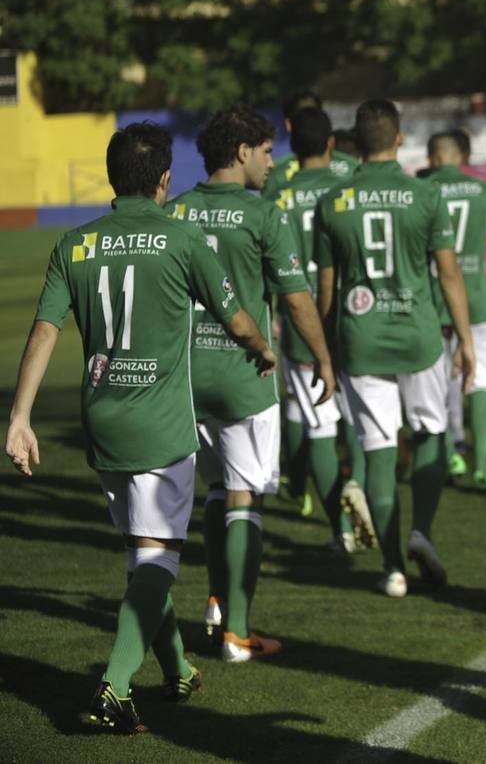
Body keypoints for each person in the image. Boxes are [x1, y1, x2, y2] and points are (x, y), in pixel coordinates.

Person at [6, 122, 275, 733]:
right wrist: (264, 351)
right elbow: (236, 319)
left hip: (103, 424)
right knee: (157, 560)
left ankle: (177, 668)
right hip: (160, 427)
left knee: (144, 556)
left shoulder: (73, 245)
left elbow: (45, 329)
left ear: (110, 177)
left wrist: (20, 417)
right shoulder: (182, 240)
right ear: (163, 181)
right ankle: (112, 686)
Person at [169, 105, 336, 661]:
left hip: (187, 377)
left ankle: (216, 602)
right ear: (242, 151)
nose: (271, 161)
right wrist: (322, 358)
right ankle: (238, 632)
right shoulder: (262, 213)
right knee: (247, 498)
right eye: (266, 151)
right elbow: (294, 297)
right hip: (246, 373)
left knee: (217, 491)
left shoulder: (177, 211)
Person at [313, 99, 476, 599]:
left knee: (378, 450)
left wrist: (326, 354)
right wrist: (466, 341)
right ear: (400, 137)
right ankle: (420, 531)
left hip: (360, 337)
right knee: (430, 432)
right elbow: (448, 273)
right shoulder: (424, 196)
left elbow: (326, 291)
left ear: (355, 144)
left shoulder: (332, 202)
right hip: (420, 335)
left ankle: (391, 569)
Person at [272, 107, 370, 551]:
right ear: (332, 143)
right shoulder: (348, 184)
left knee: (319, 429)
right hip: (352, 314)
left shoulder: (279, 193)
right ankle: (364, 490)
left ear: (293, 149)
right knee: (367, 418)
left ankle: (340, 531)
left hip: (301, 323)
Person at [423, 131, 486, 492]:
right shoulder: (483, 190)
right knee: (478, 378)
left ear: (432, 158)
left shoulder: (421, 190)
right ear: (460, 158)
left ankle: (452, 450)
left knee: (439, 381)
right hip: (478, 300)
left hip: (434, 300)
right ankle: (482, 465)